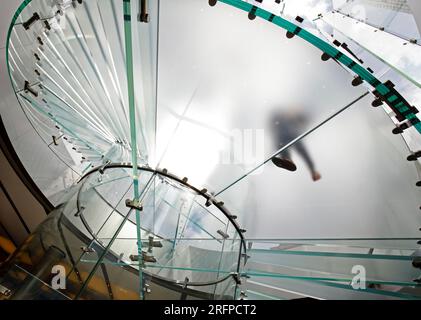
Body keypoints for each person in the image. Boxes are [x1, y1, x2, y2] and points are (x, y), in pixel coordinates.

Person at [270, 108, 321, 181]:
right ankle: (287, 159)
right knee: (281, 142)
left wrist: (313, 170)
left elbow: (304, 153)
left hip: (289, 135)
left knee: (285, 143)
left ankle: (287, 159)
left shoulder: (290, 124)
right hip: (284, 135)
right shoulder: (282, 121)